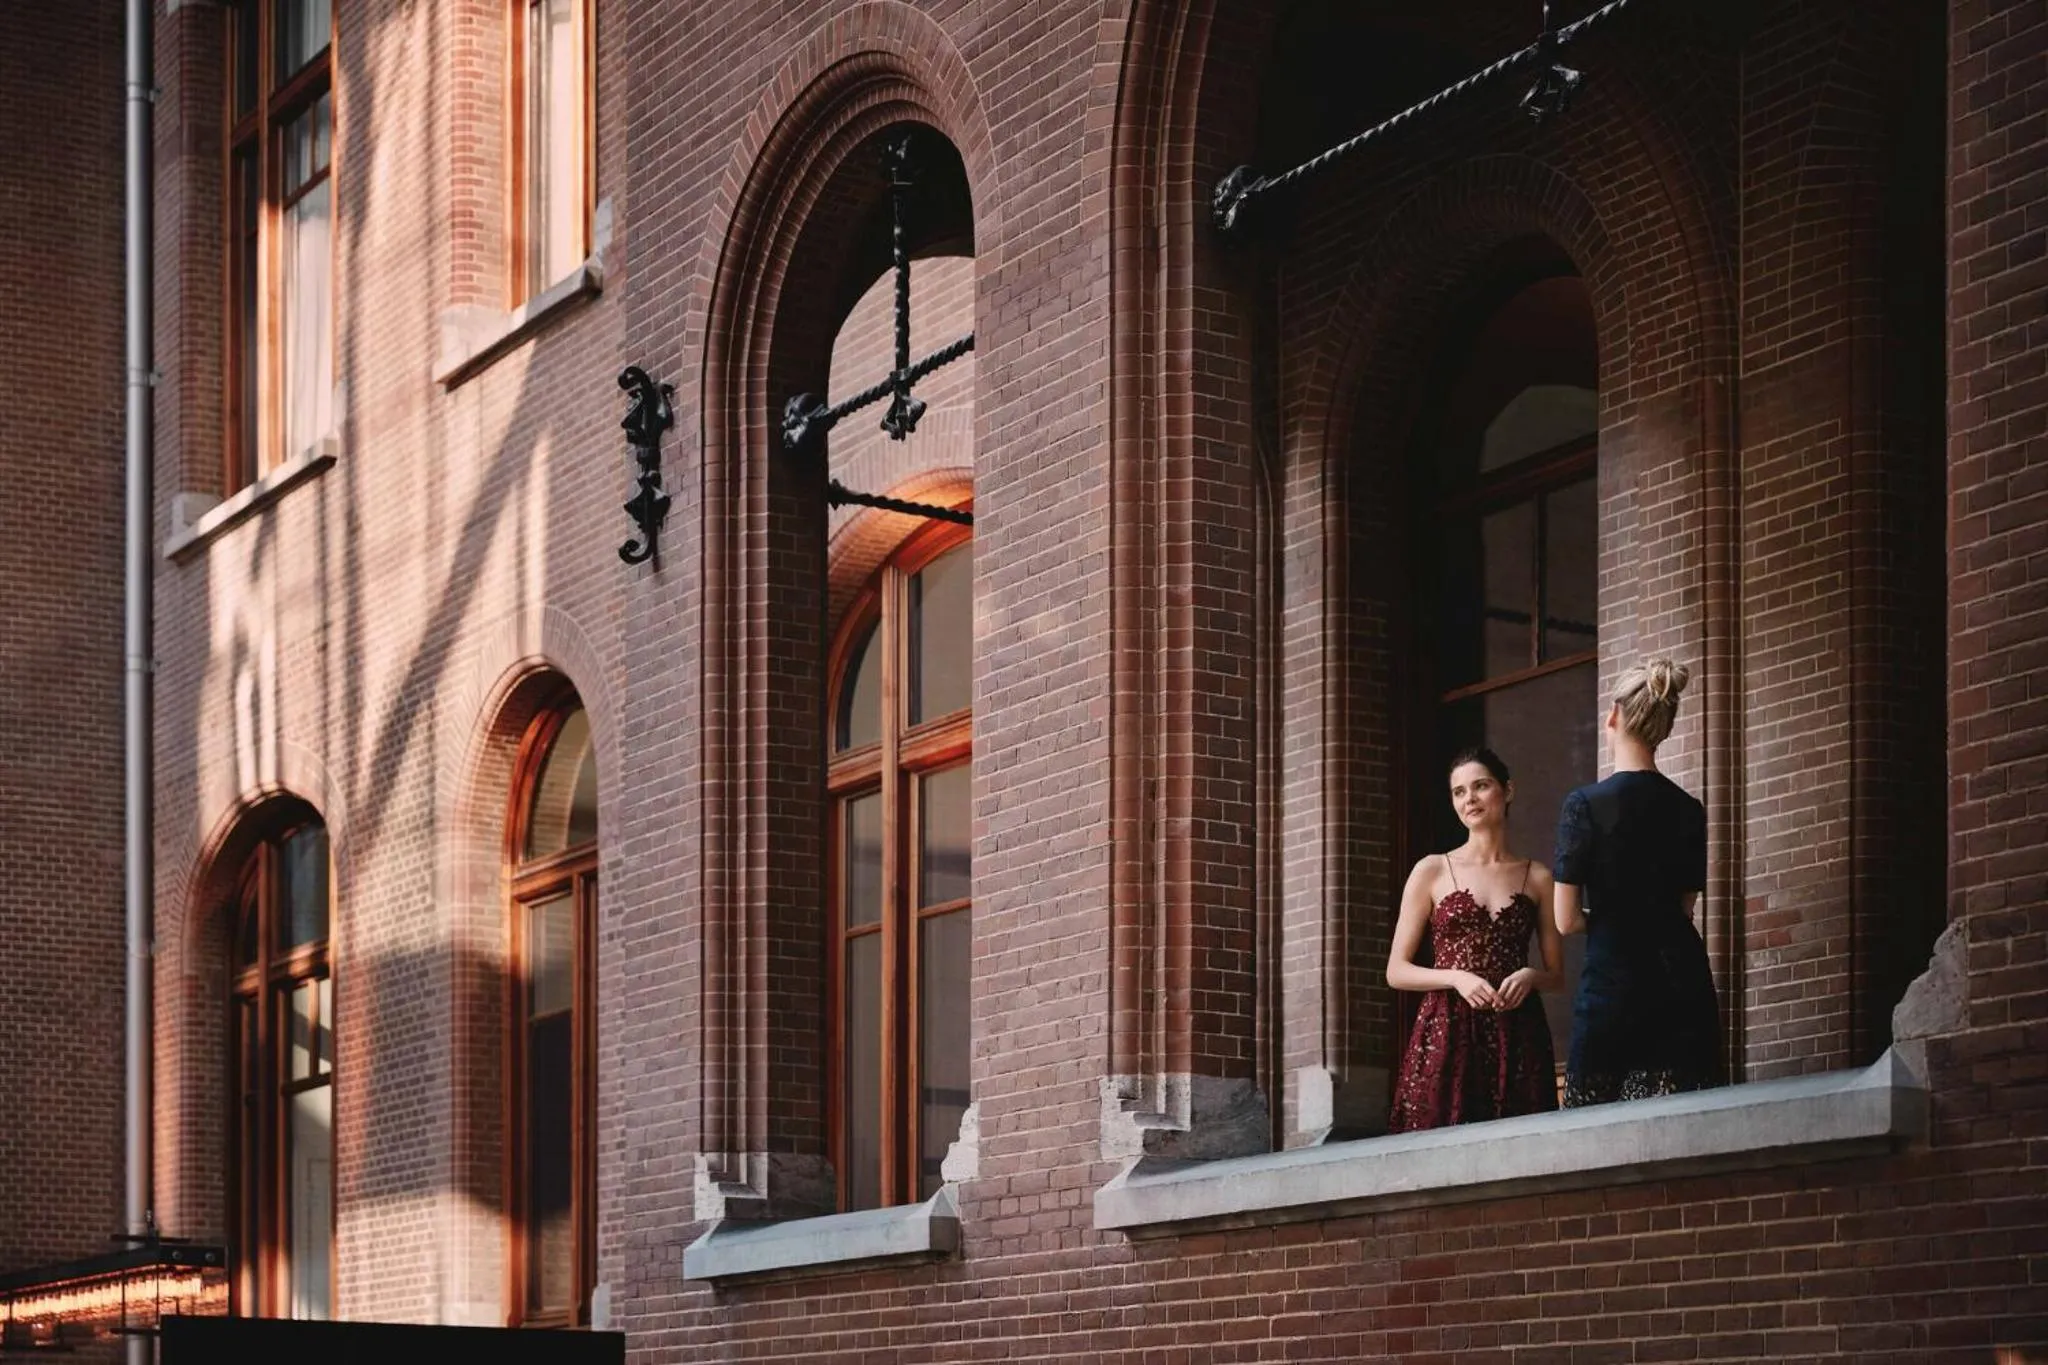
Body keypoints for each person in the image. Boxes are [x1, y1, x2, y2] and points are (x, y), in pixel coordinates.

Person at [1552, 658, 1721, 1106]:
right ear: (1663, 729)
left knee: (1595, 1132)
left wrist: (1611, 918)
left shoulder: (1583, 805)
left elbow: (1565, 920)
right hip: (1681, 984)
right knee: (1683, 1127)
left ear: (1613, 715)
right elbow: (1685, 909)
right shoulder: (1689, 809)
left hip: (1613, 985)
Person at [1385, 746, 1564, 1132]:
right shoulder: (1431, 870)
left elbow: (1557, 976)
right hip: (1446, 1031)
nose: (1470, 799)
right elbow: (1396, 971)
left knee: (1521, 1146)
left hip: (1517, 1031)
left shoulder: (1538, 877)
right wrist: (1456, 976)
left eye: (1480, 786)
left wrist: (1531, 976)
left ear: (1508, 791)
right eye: (1459, 792)